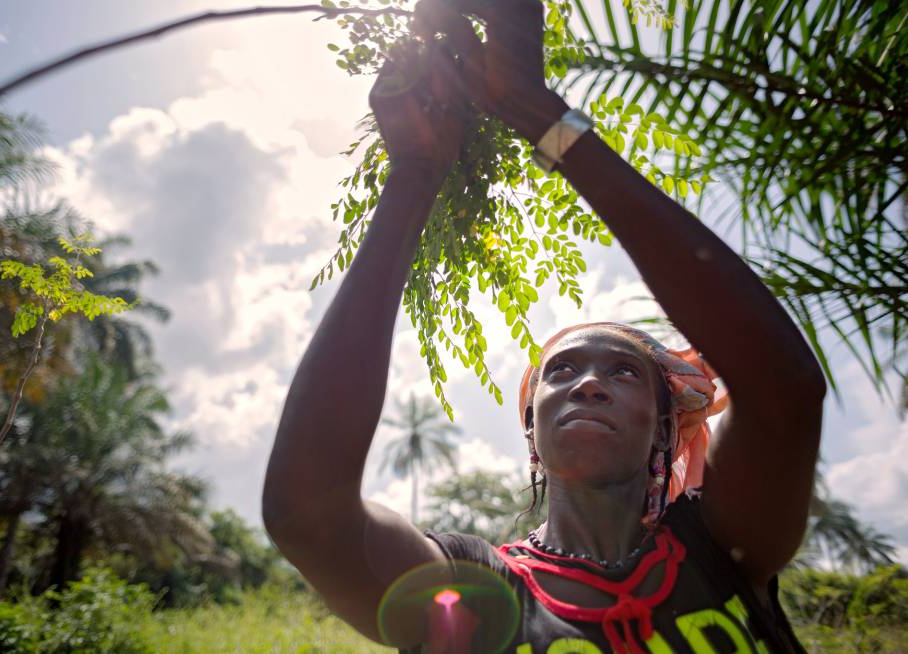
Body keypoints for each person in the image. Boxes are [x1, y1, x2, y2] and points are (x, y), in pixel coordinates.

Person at [262, 1, 825, 652]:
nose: (588, 384)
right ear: (531, 429)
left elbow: (786, 389)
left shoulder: (724, 547)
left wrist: (545, 118)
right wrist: (414, 177)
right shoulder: (475, 590)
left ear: (667, 426)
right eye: (562, 371)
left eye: (623, 371)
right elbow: (308, 516)